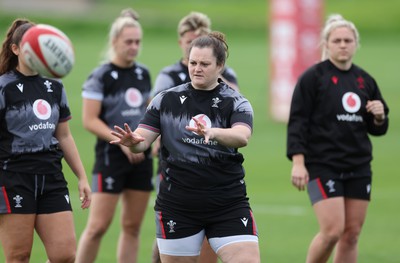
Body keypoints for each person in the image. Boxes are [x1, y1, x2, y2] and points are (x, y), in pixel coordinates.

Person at [111, 31, 260, 263]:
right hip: (178, 205)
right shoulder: (165, 100)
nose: (197, 68)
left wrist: (214, 133)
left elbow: (242, 136)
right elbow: (142, 140)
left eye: (204, 64)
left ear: (220, 65)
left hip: (228, 203)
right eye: (193, 62)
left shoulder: (236, 102)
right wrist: (133, 142)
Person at [286, 15, 389, 263]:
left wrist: (379, 116)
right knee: (332, 231)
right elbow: (298, 122)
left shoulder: (365, 80)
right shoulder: (313, 78)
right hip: (323, 164)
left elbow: (378, 128)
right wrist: (298, 162)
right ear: (326, 44)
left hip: (358, 165)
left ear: (356, 44)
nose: (343, 45)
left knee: (351, 234)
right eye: (337, 40)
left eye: (348, 40)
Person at [151, 11, 240, 263]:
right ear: (181, 42)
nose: (196, 47)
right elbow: (155, 114)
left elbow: (236, 111)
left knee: (206, 234)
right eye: (190, 41)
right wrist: (153, 142)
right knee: (173, 228)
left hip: (215, 164)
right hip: (177, 162)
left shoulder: (225, 77)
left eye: (201, 40)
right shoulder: (170, 76)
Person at [0, 19, 91, 263]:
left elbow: (64, 135)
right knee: (19, 256)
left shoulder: (54, 87)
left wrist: (81, 176)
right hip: (14, 178)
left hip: (51, 176)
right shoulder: (3, 88)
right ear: (16, 49)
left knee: (65, 256)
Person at [75, 8, 153, 263]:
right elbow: (89, 119)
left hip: (142, 158)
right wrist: (122, 144)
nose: (134, 47)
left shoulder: (143, 73)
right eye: (128, 42)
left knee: (132, 227)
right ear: (114, 42)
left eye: (138, 42)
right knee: (97, 227)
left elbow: (149, 113)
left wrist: (148, 142)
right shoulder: (101, 76)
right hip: (111, 156)